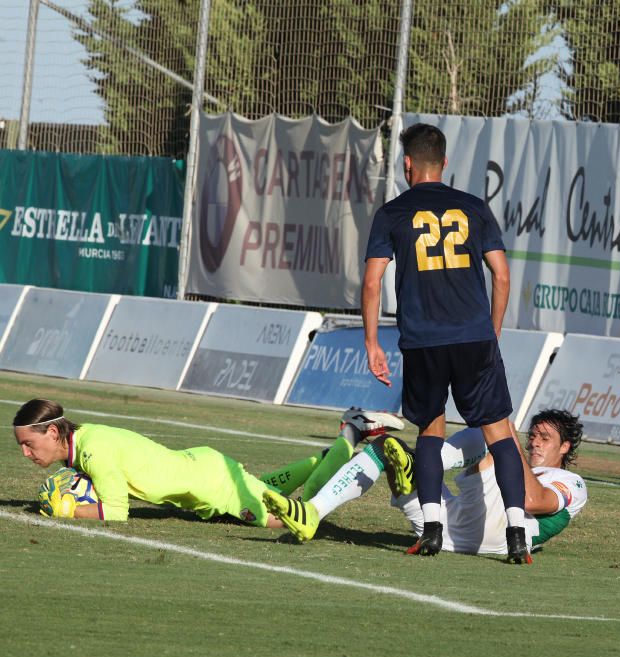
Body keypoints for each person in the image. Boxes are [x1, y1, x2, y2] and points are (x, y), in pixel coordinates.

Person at [361, 122, 529, 562]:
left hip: (423, 342)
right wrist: (491, 331)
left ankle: (433, 529)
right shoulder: (473, 208)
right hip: (474, 336)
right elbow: (503, 274)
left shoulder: (393, 213)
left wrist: (372, 342)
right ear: (445, 163)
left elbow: (373, 282)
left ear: (408, 163)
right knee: (500, 435)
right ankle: (516, 533)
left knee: (431, 433)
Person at [13, 398, 402, 525]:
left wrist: (67, 510)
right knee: (272, 487)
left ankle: (357, 440)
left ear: (52, 433)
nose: (26, 454)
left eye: (29, 444)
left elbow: (116, 512)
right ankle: (345, 438)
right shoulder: (87, 441)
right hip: (205, 466)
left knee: (302, 512)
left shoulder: (94, 451)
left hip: (214, 486)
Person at [264, 409, 588, 561]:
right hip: (445, 531)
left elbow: (531, 501)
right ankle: (313, 513)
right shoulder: (517, 459)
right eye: (532, 437)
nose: (534, 444)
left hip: (499, 534)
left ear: (565, 448)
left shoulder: (571, 483)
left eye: (545, 439)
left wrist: (508, 439)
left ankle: (424, 463)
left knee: (487, 434)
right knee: (383, 449)